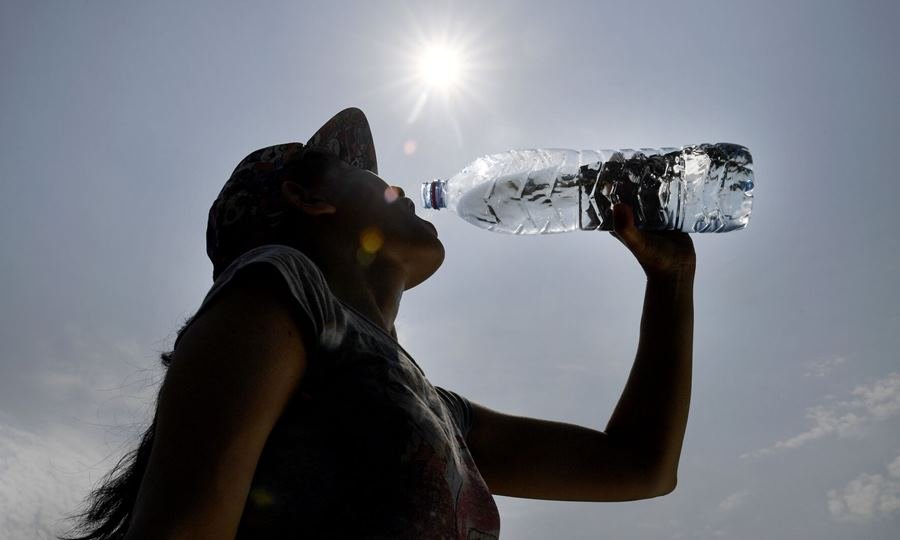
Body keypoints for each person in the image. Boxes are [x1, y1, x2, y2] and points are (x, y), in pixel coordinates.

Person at [60, 107, 696, 539]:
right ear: (310, 198)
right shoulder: (277, 291)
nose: (402, 190)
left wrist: (670, 281)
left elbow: (639, 467)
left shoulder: (430, 405)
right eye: (373, 178)